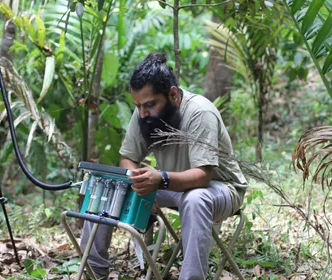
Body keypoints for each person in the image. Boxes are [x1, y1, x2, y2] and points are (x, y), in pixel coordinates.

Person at [80, 52, 248, 280]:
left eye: (149, 104)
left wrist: (160, 179)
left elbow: (203, 176)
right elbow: (128, 159)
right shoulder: (143, 112)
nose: (142, 113)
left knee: (196, 198)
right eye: (138, 105)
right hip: (170, 184)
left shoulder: (200, 112)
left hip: (220, 188)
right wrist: (138, 183)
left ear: (173, 94)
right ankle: (93, 271)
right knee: (110, 183)